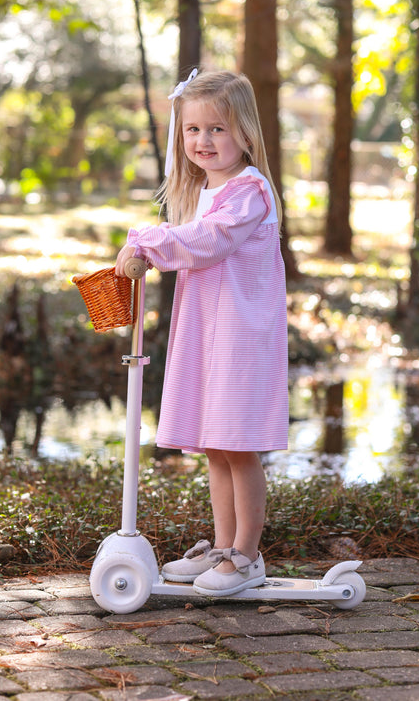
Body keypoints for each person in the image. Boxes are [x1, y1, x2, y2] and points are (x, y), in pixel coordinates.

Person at [115, 68, 289, 597]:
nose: (203, 141)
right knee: (216, 446)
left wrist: (145, 240)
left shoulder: (248, 192)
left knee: (239, 446)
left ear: (244, 132)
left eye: (216, 129)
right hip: (207, 330)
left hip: (242, 333)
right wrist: (144, 245)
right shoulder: (206, 192)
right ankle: (222, 546)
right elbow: (193, 234)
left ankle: (247, 555)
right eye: (192, 130)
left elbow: (204, 243)